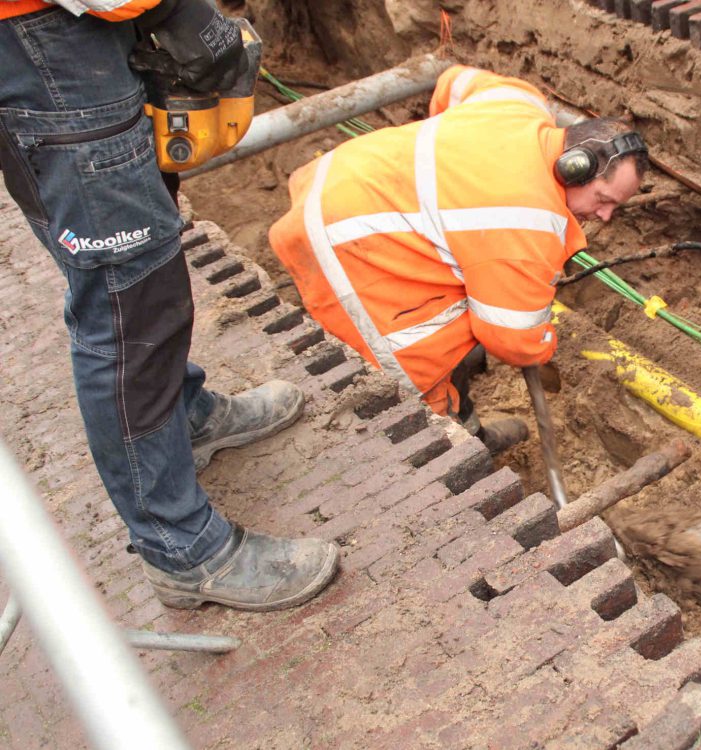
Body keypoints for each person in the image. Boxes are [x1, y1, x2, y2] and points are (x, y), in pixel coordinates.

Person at [0, 0, 338, 611]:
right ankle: (181, 549)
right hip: (38, 41)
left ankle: (183, 416)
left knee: (142, 262)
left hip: (71, 33)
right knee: (129, 304)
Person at [269, 65, 649, 447]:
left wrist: (448, 176)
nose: (604, 216)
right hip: (348, 246)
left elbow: (454, 81)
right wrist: (545, 340)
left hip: (336, 181)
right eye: (604, 200)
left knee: (462, 318)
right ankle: (455, 454)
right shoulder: (528, 218)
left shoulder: (519, 103)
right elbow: (513, 340)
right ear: (574, 167)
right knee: (416, 375)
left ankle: (471, 432)